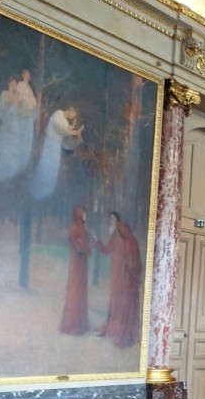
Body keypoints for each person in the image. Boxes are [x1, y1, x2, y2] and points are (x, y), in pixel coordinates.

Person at [95, 211, 143, 348]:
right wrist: (97, 243)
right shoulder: (115, 237)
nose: (111, 222)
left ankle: (123, 332)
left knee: (124, 302)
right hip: (117, 276)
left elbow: (133, 262)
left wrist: (131, 273)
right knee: (116, 301)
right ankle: (114, 328)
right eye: (110, 219)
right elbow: (107, 250)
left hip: (125, 278)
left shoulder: (129, 240)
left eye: (113, 219)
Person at [30, 104, 83, 200]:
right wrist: (73, 131)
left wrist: (75, 128)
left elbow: (67, 129)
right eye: (73, 115)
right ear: (70, 110)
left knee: (53, 167)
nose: (72, 117)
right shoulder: (58, 114)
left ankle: (48, 189)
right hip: (50, 144)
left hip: (56, 146)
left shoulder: (65, 120)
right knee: (46, 166)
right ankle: (40, 188)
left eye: (73, 117)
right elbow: (61, 129)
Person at [59, 206, 92, 335]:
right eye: (83, 213)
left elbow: (84, 242)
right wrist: (86, 249)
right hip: (77, 264)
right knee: (76, 290)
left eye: (85, 213)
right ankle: (73, 324)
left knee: (81, 290)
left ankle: (81, 322)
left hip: (82, 263)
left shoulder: (82, 228)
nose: (85, 215)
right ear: (78, 214)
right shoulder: (75, 228)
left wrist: (87, 246)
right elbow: (78, 245)